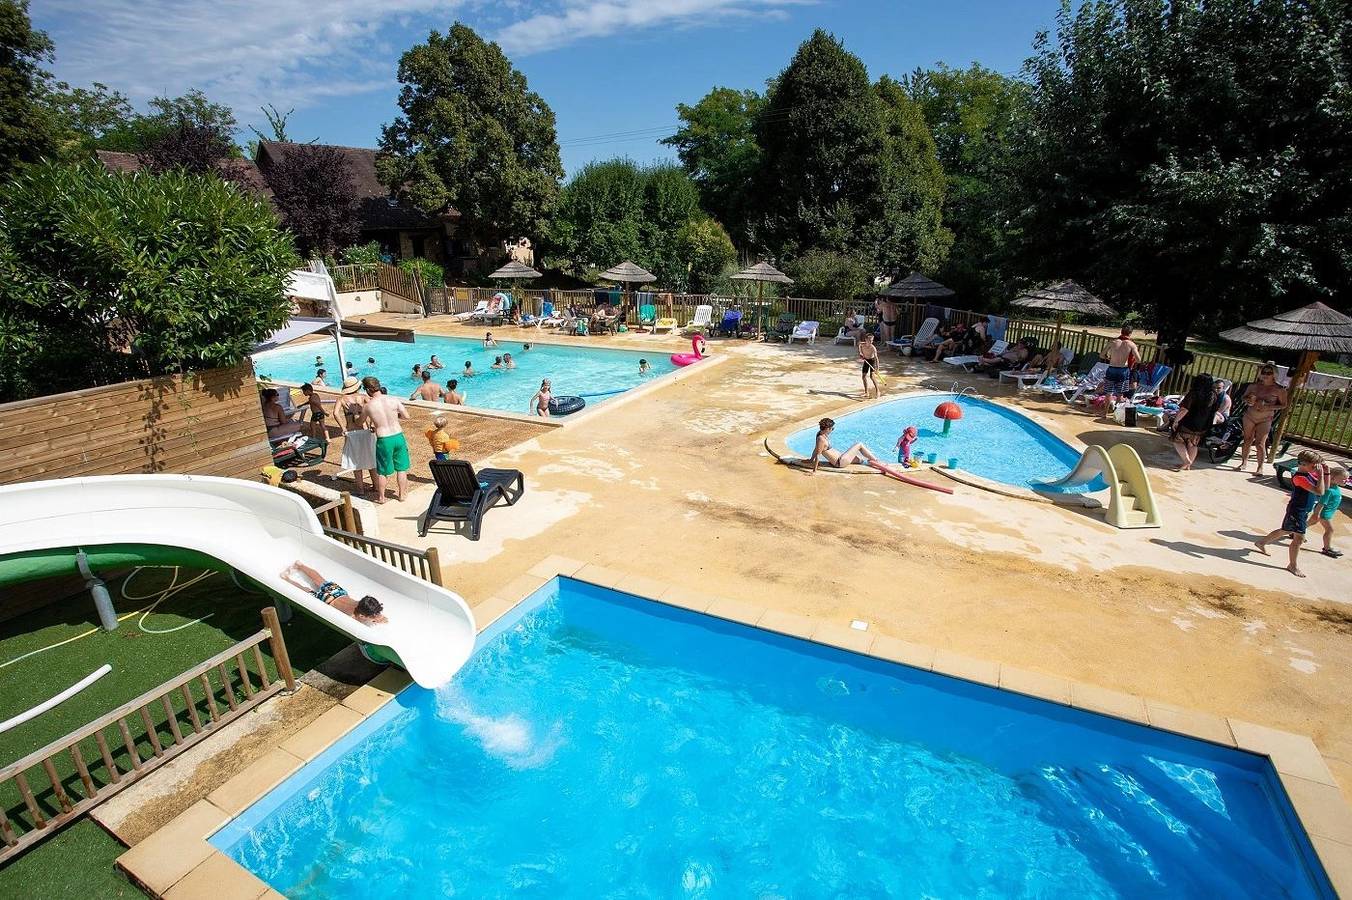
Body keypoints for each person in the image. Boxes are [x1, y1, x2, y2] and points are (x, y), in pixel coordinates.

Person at [1255, 450, 1328, 578]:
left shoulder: (1309, 474)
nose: (1316, 468)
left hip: (1302, 510)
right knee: (1299, 539)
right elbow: (1320, 492)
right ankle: (1292, 565)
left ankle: (1261, 542)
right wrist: (1321, 474)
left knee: (1285, 530)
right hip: (1297, 511)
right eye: (1314, 465)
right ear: (1304, 464)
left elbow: (1325, 488)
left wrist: (1326, 473)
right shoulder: (1299, 478)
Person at [281, 562, 387, 625]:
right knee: (306, 590)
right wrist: (375, 620)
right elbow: (362, 619)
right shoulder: (356, 616)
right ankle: (287, 579)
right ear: (363, 615)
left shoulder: (362, 603)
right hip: (328, 601)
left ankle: (300, 565)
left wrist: (374, 617)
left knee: (319, 579)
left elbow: (368, 608)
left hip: (338, 593)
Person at [360, 376, 411, 504]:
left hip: (384, 439)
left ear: (368, 390)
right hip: (398, 435)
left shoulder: (368, 406)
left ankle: (382, 497)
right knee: (401, 469)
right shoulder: (393, 399)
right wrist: (394, 416)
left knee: (383, 471)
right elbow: (406, 416)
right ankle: (402, 495)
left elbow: (359, 422)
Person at [1237, 363, 1288, 476]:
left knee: (1260, 443)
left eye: (1269, 373)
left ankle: (1260, 467)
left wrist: (1268, 406)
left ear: (1274, 375)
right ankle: (1243, 463)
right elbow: (1243, 397)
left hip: (1265, 418)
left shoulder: (1279, 390)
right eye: (1263, 372)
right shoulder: (1253, 386)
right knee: (1247, 440)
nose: (1265, 374)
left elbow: (1284, 405)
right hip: (1250, 415)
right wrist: (1248, 400)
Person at [1169, 374, 1219, 471]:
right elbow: (1215, 410)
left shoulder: (1194, 393)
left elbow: (1184, 409)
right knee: (1193, 444)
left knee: (1177, 440)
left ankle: (1186, 461)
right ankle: (1187, 465)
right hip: (1203, 424)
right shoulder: (1213, 395)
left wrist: (1176, 421)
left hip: (1189, 422)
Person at [337, 378, 376, 496]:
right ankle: (376, 486)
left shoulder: (342, 399)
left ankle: (360, 490)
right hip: (365, 430)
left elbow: (335, 413)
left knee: (356, 463)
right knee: (370, 460)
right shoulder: (364, 397)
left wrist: (342, 428)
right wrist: (372, 424)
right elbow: (373, 409)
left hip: (351, 432)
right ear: (357, 387)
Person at [810, 417, 879, 474]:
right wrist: (814, 471)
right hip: (840, 462)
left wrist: (811, 460)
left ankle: (872, 461)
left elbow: (816, 448)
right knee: (859, 444)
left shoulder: (820, 434)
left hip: (841, 458)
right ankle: (876, 460)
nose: (832, 430)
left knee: (860, 459)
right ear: (827, 429)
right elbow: (818, 454)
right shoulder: (821, 439)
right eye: (832, 429)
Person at [1309, 466, 1346, 558]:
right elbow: (1321, 503)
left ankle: (1295, 532)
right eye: (1343, 479)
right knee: (1330, 530)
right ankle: (1327, 548)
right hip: (1324, 514)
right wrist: (1316, 514)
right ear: (1332, 478)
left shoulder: (1336, 487)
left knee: (1310, 523)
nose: (1346, 481)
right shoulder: (1329, 490)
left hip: (1327, 513)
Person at [1100, 326, 1141, 406]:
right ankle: (1116, 411)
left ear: (1121, 332)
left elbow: (1101, 355)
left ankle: (1105, 411)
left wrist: (1108, 357)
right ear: (1130, 333)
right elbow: (1139, 360)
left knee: (1108, 393)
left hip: (1112, 368)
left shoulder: (1112, 342)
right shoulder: (1131, 344)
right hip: (1123, 370)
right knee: (1120, 394)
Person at [858, 333, 880, 399]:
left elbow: (876, 359)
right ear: (866, 339)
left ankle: (878, 391)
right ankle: (866, 392)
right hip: (866, 360)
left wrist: (877, 369)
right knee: (863, 376)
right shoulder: (862, 344)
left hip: (872, 361)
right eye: (869, 340)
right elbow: (859, 346)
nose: (871, 342)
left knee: (872, 376)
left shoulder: (873, 348)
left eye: (872, 340)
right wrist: (861, 354)